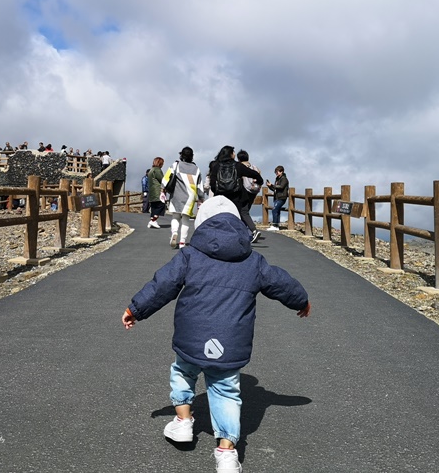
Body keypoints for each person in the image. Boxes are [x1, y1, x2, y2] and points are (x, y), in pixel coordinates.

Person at [121, 196, 311, 473]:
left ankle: (184, 422)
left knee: (184, 372)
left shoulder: (189, 255)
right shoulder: (254, 261)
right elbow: (282, 283)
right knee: (225, 391)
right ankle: (226, 453)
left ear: (202, 223)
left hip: (191, 337)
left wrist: (135, 309)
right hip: (230, 342)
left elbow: (162, 284)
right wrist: (301, 301)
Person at [209, 146, 263, 244]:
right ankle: (245, 235)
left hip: (221, 197)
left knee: (221, 217)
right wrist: (260, 181)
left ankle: (221, 238)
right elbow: (253, 174)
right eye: (233, 152)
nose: (234, 154)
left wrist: (218, 192)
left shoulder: (217, 166)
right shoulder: (237, 166)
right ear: (230, 154)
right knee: (241, 215)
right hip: (237, 197)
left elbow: (212, 184)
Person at [162, 146, 204, 249]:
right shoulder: (196, 169)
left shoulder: (176, 165)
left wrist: (162, 189)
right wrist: (201, 198)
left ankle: (174, 233)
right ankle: (182, 242)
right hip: (190, 197)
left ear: (181, 155)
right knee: (186, 219)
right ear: (192, 157)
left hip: (176, 195)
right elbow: (200, 186)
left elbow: (165, 179)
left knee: (175, 217)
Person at [236, 150, 262, 242]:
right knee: (245, 212)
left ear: (239, 158)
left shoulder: (240, 167)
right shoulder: (254, 167)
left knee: (243, 212)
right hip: (254, 192)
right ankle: (243, 233)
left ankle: (254, 230)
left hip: (245, 191)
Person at [265, 166, 289, 231]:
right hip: (277, 197)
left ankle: (275, 225)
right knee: (277, 211)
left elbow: (281, 187)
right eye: (275, 172)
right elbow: (275, 189)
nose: (276, 173)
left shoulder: (284, 179)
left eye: (277, 171)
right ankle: (276, 225)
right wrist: (270, 186)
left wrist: (272, 185)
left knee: (274, 209)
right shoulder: (277, 179)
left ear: (282, 171)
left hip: (282, 197)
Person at [147, 157, 166, 228]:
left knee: (154, 207)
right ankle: (153, 221)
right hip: (157, 191)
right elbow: (163, 180)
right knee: (161, 205)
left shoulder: (151, 170)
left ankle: (152, 220)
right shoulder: (157, 170)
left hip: (151, 191)